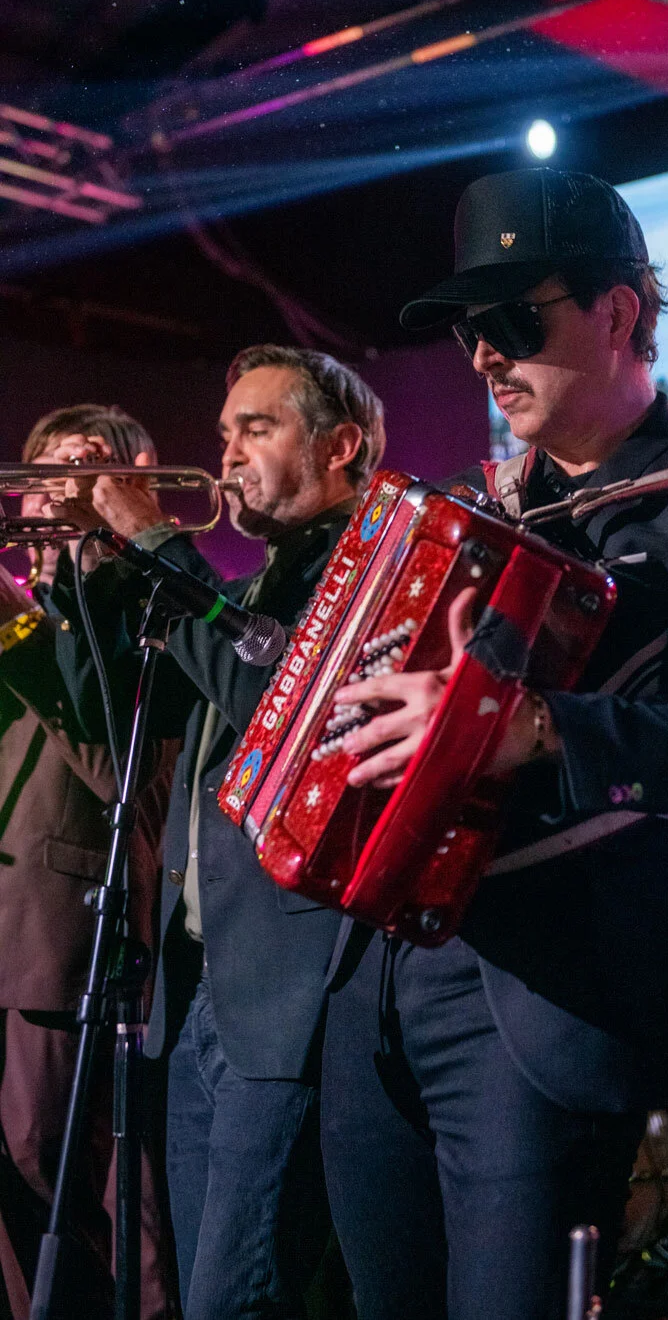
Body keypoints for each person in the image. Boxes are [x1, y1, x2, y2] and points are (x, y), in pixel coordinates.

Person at [318, 168, 668, 1320]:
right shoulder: (465, 506)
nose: (483, 355)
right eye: (466, 331)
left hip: (552, 999)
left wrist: (527, 729)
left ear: (619, 312)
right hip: (381, 993)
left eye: (510, 320)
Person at [49, 349, 385, 1320]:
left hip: (286, 994)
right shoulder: (250, 588)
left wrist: (152, 536)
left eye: (256, 428)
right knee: (205, 1286)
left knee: (236, 1298)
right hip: (202, 994)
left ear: (340, 445)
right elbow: (110, 722)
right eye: (225, 431)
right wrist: (89, 566)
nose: (226, 455)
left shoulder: (356, 571)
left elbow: (279, 700)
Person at [0, 404, 176, 1320]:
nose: (49, 495)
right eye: (40, 476)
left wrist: (29, 617)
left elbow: (121, 769)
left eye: (77, 469)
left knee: (69, 1183)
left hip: (63, 944)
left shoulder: (133, 612)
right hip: (8, 932)